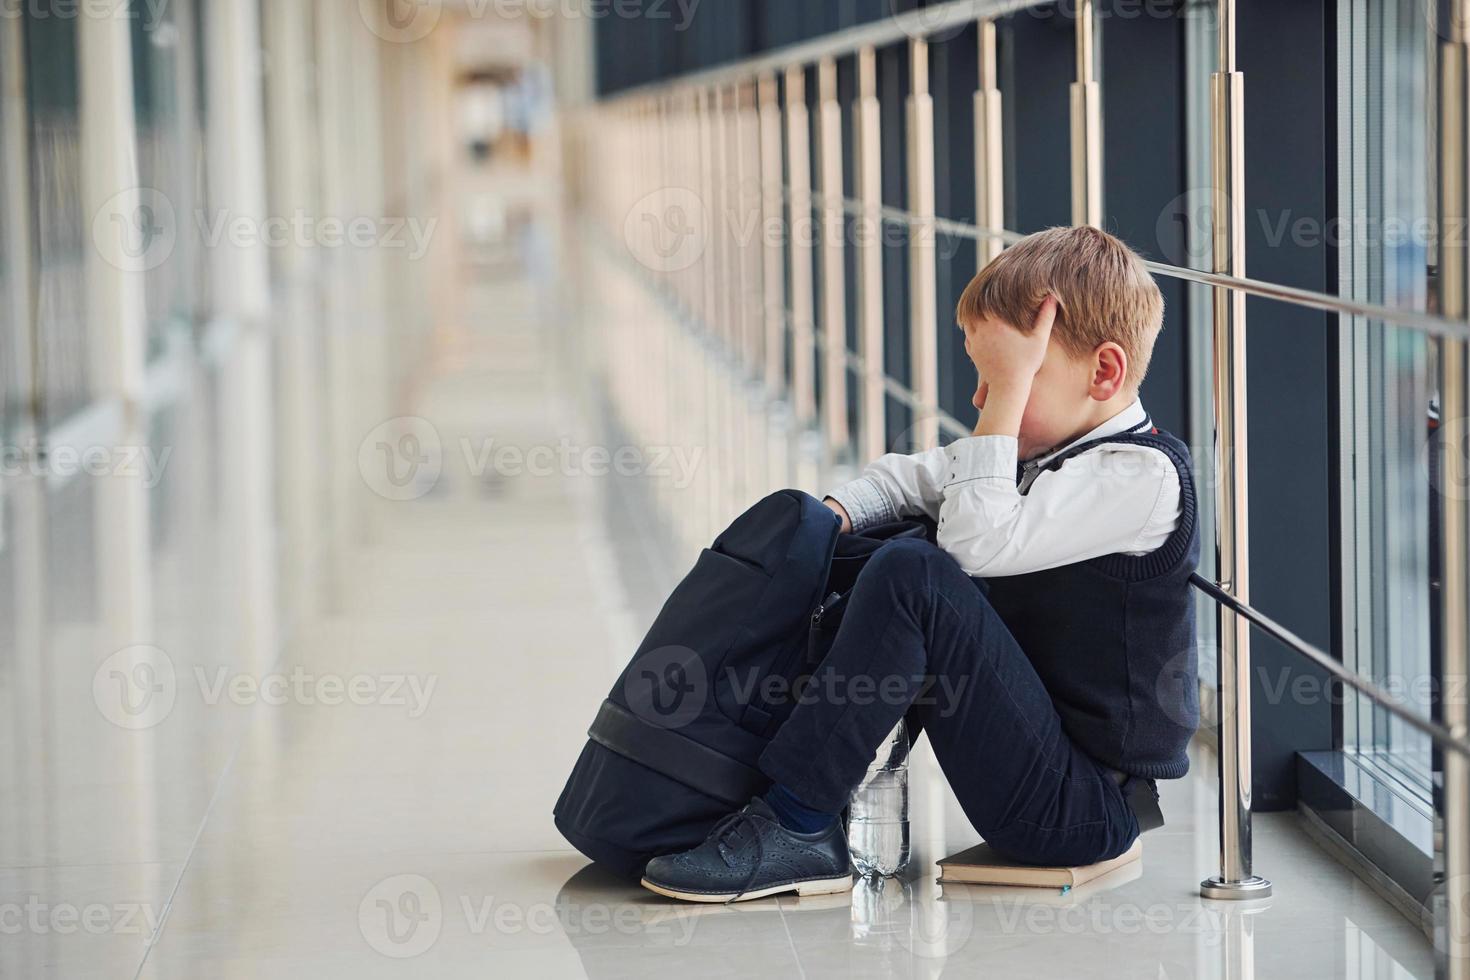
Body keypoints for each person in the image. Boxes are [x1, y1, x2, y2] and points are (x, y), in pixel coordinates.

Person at [640, 226, 1200, 904]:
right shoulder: (1045, 453)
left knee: (916, 574)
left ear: (1104, 373)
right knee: (891, 544)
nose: (980, 403)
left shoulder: (1141, 478)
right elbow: (911, 478)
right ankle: (760, 787)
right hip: (1042, 763)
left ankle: (798, 820)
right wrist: (827, 521)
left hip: (1080, 810)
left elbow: (975, 543)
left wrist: (1006, 401)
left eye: (1000, 385)